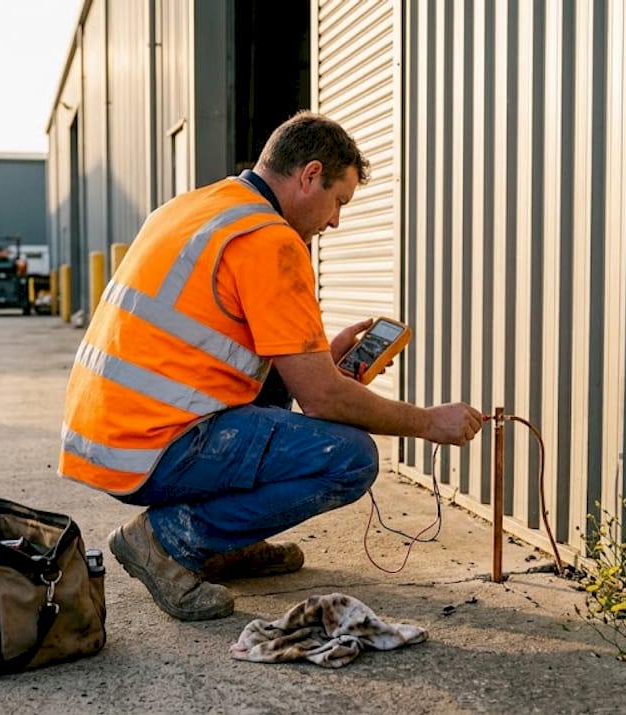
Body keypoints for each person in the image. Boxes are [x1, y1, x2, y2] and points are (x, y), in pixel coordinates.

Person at [59, 111, 484, 621]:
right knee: (348, 457)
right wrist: (429, 423)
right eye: (338, 201)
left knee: (281, 387)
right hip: (151, 446)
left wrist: (319, 358)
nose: (335, 221)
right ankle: (167, 540)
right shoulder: (270, 239)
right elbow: (323, 399)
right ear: (310, 176)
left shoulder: (194, 208)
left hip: (107, 434)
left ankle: (223, 543)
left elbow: (221, 342)